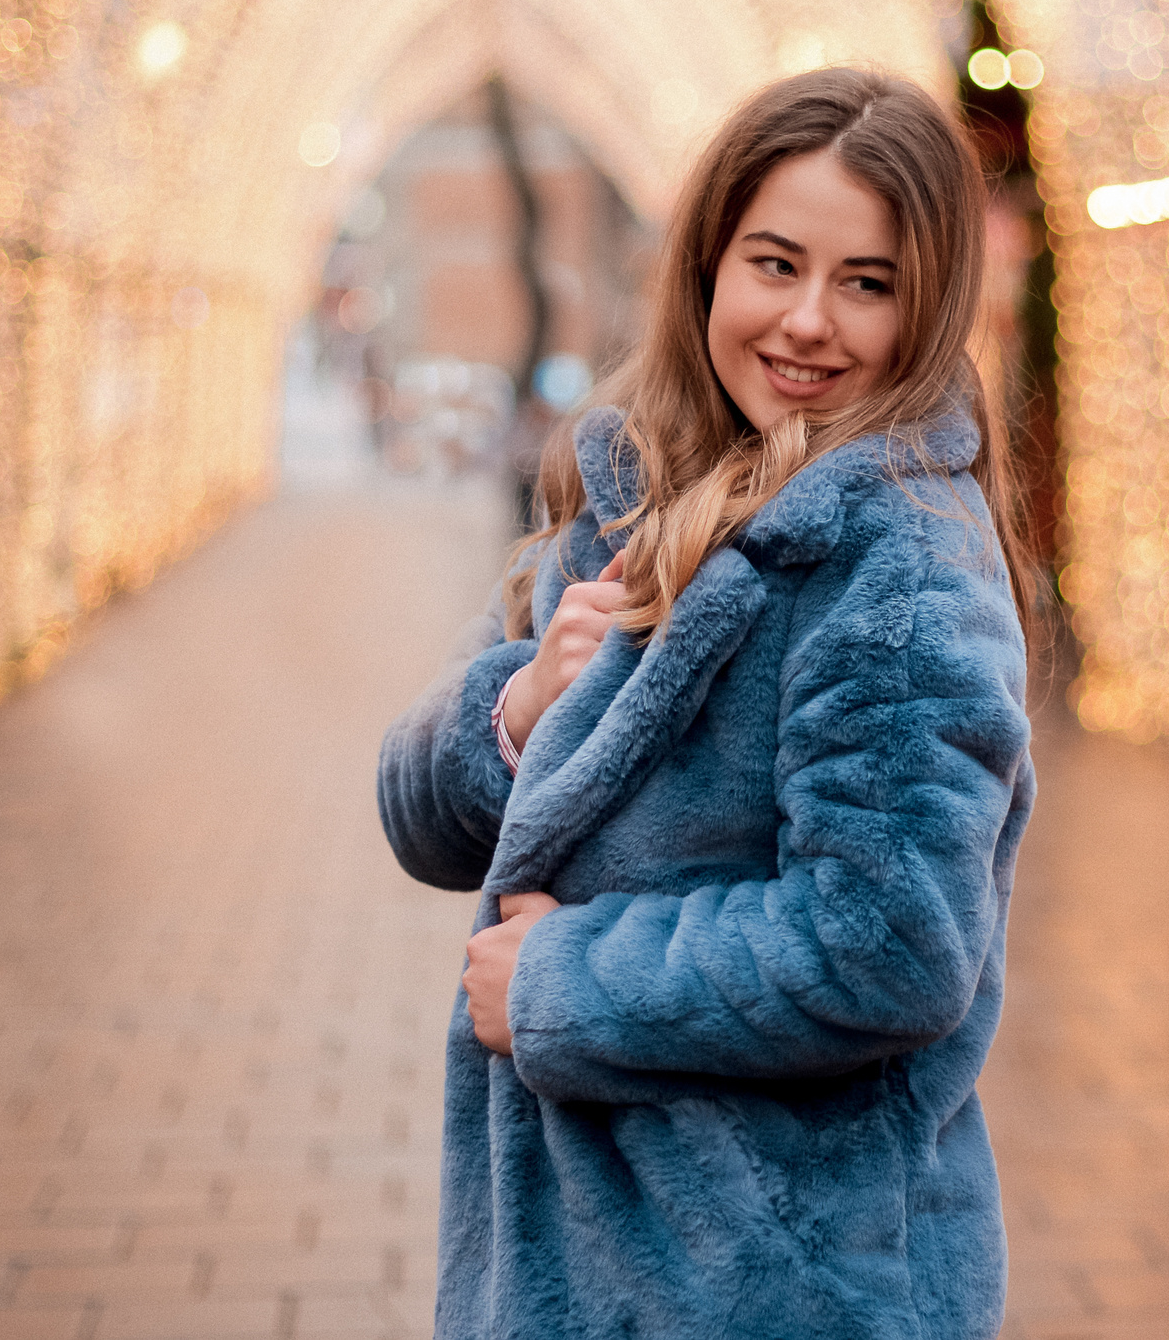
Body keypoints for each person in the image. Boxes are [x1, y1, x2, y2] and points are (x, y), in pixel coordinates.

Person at [378, 67, 1040, 1340]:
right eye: (774, 263)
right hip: (588, 1253)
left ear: (928, 305)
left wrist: (563, 986)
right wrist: (520, 707)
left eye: (867, 283)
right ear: (707, 267)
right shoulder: (637, 491)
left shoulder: (896, 561)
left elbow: (891, 944)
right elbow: (416, 815)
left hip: (772, 1275)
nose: (806, 322)